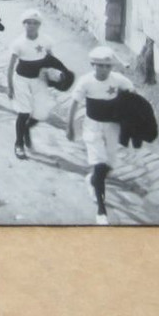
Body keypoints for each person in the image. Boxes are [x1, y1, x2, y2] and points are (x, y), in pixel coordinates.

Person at [64, 46, 135, 225]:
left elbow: (132, 95)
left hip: (111, 126)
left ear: (111, 67)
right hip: (92, 126)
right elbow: (74, 103)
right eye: (99, 66)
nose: (103, 69)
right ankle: (101, 209)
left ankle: (93, 180)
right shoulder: (86, 82)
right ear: (92, 65)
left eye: (107, 66)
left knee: (110, 165)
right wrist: (69, 126)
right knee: (99, 164)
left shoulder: (118, 80)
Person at [4, 10, 66, 158]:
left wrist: (57, 75)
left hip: (39, 79)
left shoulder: (46, 41)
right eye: (28, 23)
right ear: (23, 24)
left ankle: (26, 129)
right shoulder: (18, 43)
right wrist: (10, 86)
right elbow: (11, 67)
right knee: (23, 112)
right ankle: (19, 143)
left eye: (35, 23)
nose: (31, 26)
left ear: (39, 25)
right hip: (21, 80)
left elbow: (52, 61)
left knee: (40, 113)